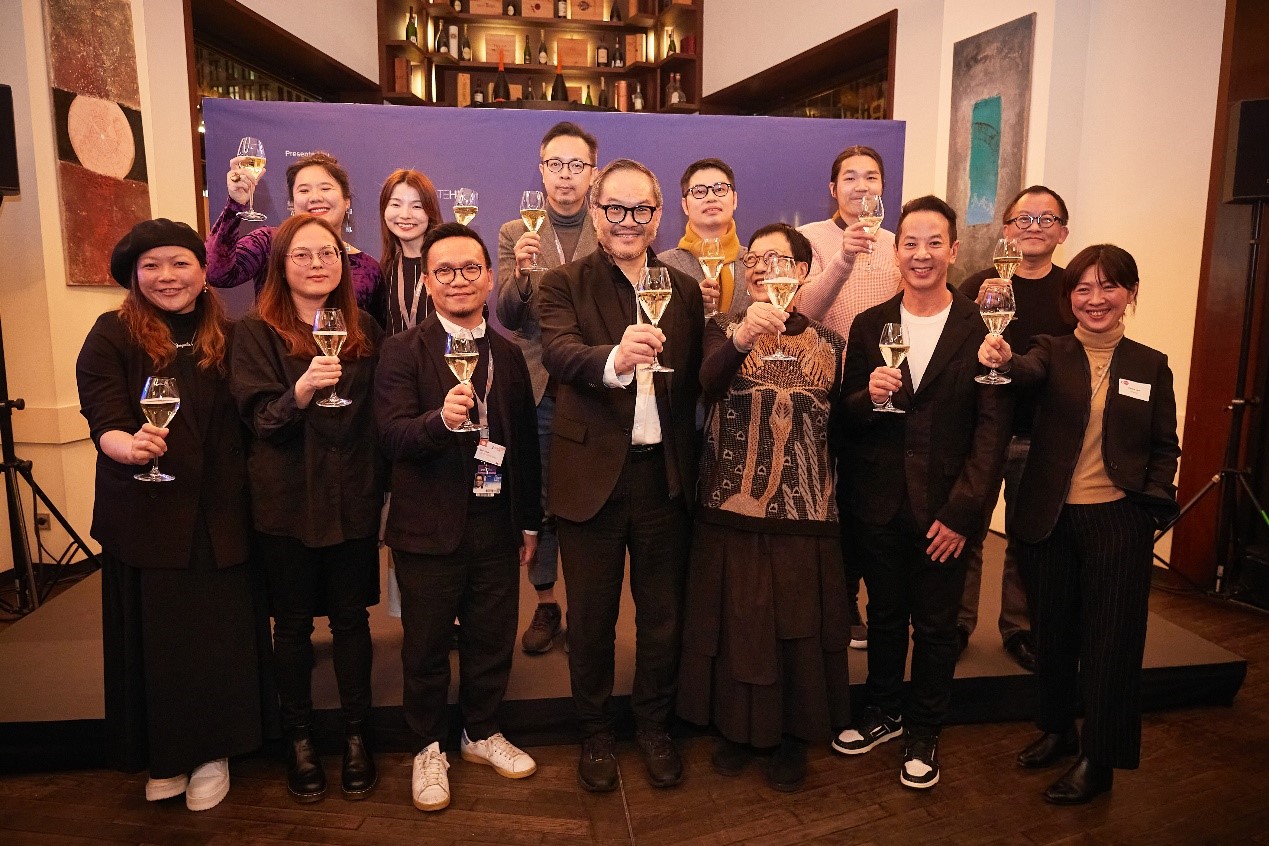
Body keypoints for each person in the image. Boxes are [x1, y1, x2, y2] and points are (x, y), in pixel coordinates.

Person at [978, 244, 1180, 805]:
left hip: (1119, 521)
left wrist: (1150, 508)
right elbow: (1023, 371)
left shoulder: (1149, 363)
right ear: (1070, 298)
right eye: (1083, 289)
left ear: (1130, 293)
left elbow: (1165, 446)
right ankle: (1058, 729)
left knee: (1112, 644)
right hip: (1052, 519)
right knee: (1054, 635)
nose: (1096, 299)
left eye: (1108, 287)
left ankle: (1101, 757)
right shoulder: (1051, 350)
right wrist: (1000, 359)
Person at [76, 219, 264, 811]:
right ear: (134, 276)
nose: (166, 276)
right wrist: (123, 445)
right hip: (147, 515)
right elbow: (102, 412)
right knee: (158, 642)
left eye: (179, 263)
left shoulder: (231, 336)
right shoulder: (110, 334)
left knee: (218, 637)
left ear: (202, 270)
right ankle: (166, 753)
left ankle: (214, 752)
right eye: (152, 266)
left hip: (221, 516)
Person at [538, 158, 705, 792]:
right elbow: (559, 353)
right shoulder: (562, 283)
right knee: (591, 618)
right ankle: (596, 734)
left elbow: (692, 378)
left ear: (659, 216)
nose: (628, 222)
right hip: (591, 480)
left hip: (663, 479)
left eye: (641, 210)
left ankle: (654, 727)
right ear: (597, 212)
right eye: (615, 209)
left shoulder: (683, 289)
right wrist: (614, 358)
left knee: (663, 618)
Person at [832, 196, 1010, 790]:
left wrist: (964, 513)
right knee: (884, 616)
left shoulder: (981, 329)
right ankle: (882, 711)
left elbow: (992, 434)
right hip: (878, 504)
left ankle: (925, 729)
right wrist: (869, 398)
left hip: (945, 510)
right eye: (910, 242)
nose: (921, 254)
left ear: (954, 251)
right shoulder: (870, 324)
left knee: (936, 626)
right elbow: (845, 418)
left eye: (934, 242)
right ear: (895, 250)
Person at [677, 223, 850, 792]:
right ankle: (733, 730)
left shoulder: (831, 343)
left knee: (794, 629)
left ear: (803, 273)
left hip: (805, 511)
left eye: (780, 259)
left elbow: (843, 426)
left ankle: (792, 737)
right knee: (735, 624)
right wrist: (741, 339)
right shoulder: (721, 329)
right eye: (755, 258)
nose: (764, 267)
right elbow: (705, 384)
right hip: (728, 504)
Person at [376, 223, 543, 812]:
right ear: (427, 281)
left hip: (497, 525)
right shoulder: (400, 351)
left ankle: (480, 731)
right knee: (423, 646)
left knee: (491, 637)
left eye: (470, 269)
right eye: (444, 271)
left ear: (489, 276)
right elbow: (391, 436)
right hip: (427, 528)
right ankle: (427, 745)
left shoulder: (509, 356)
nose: (458, 281)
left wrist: (529, 521)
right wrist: (438, 423)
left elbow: (522, 443)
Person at [230, 213, 385, 804]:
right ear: (282, 264)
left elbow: (369, 419)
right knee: (291, 625)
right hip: (285, 500)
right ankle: (298, 739)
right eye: (303, 255)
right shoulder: (255, 331)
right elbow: (261, 422)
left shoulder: (362, 327)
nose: (318, 263)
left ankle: (355, 735)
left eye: (328, 253)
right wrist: (299, 393)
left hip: (349, 499)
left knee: (351, 621)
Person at [956, 186, 1075, 671]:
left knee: (1029, 537)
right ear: (1006, 229)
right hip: (980, 432)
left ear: (1063, 232)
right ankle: (956, 624)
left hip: (1042, 432)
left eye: (1046, 219)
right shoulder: (977, 285)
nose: (1033, 226)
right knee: (966, 529)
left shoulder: (1073, 290)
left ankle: (1019, 628)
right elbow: (956, 352)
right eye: (1023, 218)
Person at [497, 121, 600, 655]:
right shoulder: (517, 231)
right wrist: (519, 274)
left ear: (593, 172)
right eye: (556, 165)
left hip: (589, 379)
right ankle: (545, 603)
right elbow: (509, 317)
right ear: (541, 171)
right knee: (537, 498)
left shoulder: (608, 226)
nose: (565, 175)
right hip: (538, 382)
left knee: (583, 496)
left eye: (576, 165)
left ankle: (587, 603)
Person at [798, 145, 903, 650]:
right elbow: (802, 309)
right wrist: (844, 256)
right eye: (850, 178)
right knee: (824, 501)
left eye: (872, 177)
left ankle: (860, 597)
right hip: (820, 390)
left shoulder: (899, 242)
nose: (862, 187)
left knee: (864, 500)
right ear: (832, 188)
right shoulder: (812, 239)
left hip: (877, 389)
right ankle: (831, 599)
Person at [208, 151, 387, 325]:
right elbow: (216, 273)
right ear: (292, 203)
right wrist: (235, 203)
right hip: (271, 354)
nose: (315, 197)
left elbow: (374, 334)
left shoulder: (368, 268)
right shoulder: (269, 242)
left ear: (346, 201)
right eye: (304, 190)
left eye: (325, 188)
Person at [656, 157, 751, 318]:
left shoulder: (754, 263)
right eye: (699, 191)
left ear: (734, 200)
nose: (711, 197)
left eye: (720, 189)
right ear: (685, 205)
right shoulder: (662, 266)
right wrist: (689, 302)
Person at [379, 168, 445, 335]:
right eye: (395, 204)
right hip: (394, 360)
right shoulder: (384, 270)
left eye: (417, 206)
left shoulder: (448, 267)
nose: (405, 215)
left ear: (430, 211)